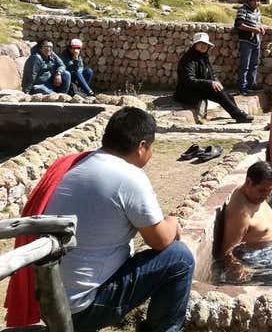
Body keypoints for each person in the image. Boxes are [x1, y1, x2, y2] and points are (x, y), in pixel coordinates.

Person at [7, 107, 194, 331]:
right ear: (142, 146)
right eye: (152, 147)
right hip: (82, 309)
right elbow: (160, 240)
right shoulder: (130, 177)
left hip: (49, 302)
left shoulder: (76, 165)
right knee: (180, 257)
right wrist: (172, 221)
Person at [220, 161, 272, 282]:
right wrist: (239, 270)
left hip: (271, 251)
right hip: (259, 259)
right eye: (262, 190)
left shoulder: (254, 196)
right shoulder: (241, 213)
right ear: (248, 182)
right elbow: (227, 251)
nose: (267, 196)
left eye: (271, 190)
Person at [174, 32, 253, 124]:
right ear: (195, 45)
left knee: (225, 94)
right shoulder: (188, 60)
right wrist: (209, 83)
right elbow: (189, 80)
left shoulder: (203, 57)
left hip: (199, 88)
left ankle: (238, 114)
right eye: (201, 44)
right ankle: (239, 115)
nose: (204, 46)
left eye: (205, 44)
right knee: (219, 93)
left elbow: (211, 74)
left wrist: (216, 82)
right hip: (188, 92)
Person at [235, 0, 266, 96]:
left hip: (256, 41)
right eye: (255, 1)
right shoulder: (243, 9)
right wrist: (253, 30)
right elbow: (239, 25)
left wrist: (260, 28)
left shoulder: (257, 11)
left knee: (254, 64)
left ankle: (251, 84)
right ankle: (242, 87)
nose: (257, 3)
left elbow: (258, 22)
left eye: (258, 1)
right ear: (249, 0)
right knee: (245, 66)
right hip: (246, 41)